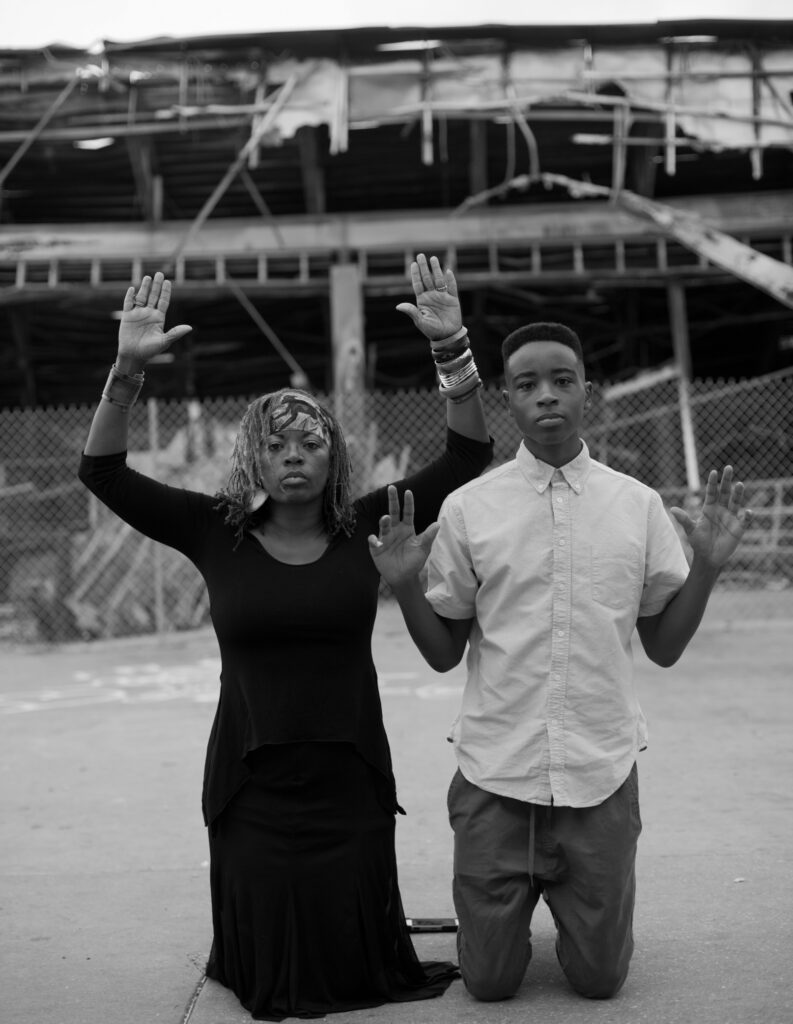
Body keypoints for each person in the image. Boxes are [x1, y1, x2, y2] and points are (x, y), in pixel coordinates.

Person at [77, 255, 493, 1021]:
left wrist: (452, 350)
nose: (294, 455)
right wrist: (125, 372)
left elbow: (467, 456)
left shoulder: (369, 525)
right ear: (254, 458)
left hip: (348, 773)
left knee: (351, 962)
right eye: (276, 445)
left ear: (333, 453)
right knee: (271, 980)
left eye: (309, 443)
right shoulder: (213, 531)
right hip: (250, 775)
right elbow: (101, 471)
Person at [368, 321, 752, 1003]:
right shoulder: (468, 509)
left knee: (600, 981)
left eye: (562, 380)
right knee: (486, 983)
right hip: (496, 774)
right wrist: (401, 583)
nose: (545, 396)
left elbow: (662, 648)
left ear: (589, 396)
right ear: (506, 403)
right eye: (526, 384)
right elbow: (441, 653)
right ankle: (503, 910)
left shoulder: (634, 506)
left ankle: (573, 906)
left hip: (598, 775)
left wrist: (707, 569)